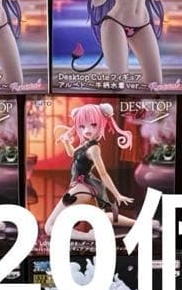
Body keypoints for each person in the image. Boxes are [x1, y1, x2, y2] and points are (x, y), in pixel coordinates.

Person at [44, 103, 137, 242]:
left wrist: (117, 194)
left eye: (93, 125)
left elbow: (104, 174)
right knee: (101, 217)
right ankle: (141, 224)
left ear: (102, 122)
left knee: (50, 227)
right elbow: (72, 153)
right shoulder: (86, 144)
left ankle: (89, 236)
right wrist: (66, 142)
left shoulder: (93, 149)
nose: (87, 130)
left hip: (82, 187)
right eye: (82, 126)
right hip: (88, 185)